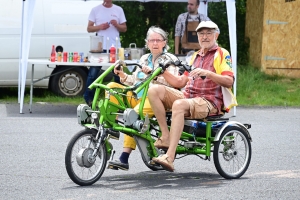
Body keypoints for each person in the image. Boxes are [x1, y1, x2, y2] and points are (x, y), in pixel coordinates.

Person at [148, 21, 235, 172]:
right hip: (189, 96)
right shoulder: (195, 56)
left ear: (216, 35)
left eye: (208, 33)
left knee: (179, 105)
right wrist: (162, 72)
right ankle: (166, 136)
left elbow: (229, 81)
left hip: (209, 101)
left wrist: (207, 73)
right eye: (201, 34)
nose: (205, 37)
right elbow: (180, 81)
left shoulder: (222, 53)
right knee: (154, 90)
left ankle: (170, 156)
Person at [107, 26, 180, 170]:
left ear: (164, 42)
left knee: (132, 114)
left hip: (156, 99)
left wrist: (154, 74)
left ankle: (124, 158)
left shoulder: (170, 59)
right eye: (151, 40)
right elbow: (134, 80)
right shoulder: (144, 58)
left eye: (158, 40)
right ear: (147, 43)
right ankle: (111, 126)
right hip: (138, 95)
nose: (154, 43)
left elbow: (173, 83)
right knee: (111, 87)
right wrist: (122, 75)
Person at [83, 0, 127, 106]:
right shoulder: (95, 10)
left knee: (118, 74)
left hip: (115, 47)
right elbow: (89, 28)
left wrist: (116, 24)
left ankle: (117, 100)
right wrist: (100, 27)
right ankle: (89, 98)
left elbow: (124, 28)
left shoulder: (118, 9)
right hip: (99, 47)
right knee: (93, 74)